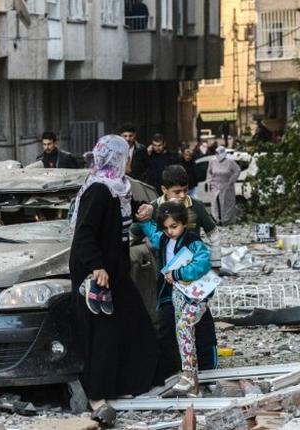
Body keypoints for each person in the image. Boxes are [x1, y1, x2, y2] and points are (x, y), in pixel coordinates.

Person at [69, 134, 165, 427]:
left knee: (133, 322)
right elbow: (84, 233)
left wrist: (145, 210)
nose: (129, 160)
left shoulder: (119, 186)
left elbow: (128, 210)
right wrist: (97, 267)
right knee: (104, 333)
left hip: (116, 269)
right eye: (125, 156)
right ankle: (97, 395)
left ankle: (129, 383)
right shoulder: (98, 190)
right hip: (96, 272)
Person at [132, 165, 221, 374]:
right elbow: (140, 232)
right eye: (176, 192)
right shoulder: (155, 215)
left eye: (185, 190)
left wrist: (216, 267)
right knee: (169, 325)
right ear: (164, 190)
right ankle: (173, 372)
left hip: (194, 282)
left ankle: (206, 370)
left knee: (200, 324)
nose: (182, 196)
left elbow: (210, 243)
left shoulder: (194, 227)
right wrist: (144, 219)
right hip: (168, 283)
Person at [137, 201, 211, 395]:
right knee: (184, 334)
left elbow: (203, 264)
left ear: (184, 223)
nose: (170, 231)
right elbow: (151, 233)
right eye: (166, 227)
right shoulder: (163, 239)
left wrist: (178, 273)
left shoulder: (193, 241)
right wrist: (145, 219)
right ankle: (193, 383)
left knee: (183, 327)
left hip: (196, 296)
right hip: (176, 294)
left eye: (174, 226)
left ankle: (187, 374)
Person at [208, 146, 241, 225]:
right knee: (216, 203)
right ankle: (217, 220)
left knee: (227, 203)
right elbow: (209, 173)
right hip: (215, 185)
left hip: (226, 186)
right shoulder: (212, 161)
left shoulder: (230, 162)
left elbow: (237, 170)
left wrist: (231, 180)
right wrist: (210, 182)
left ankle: (227, 221)